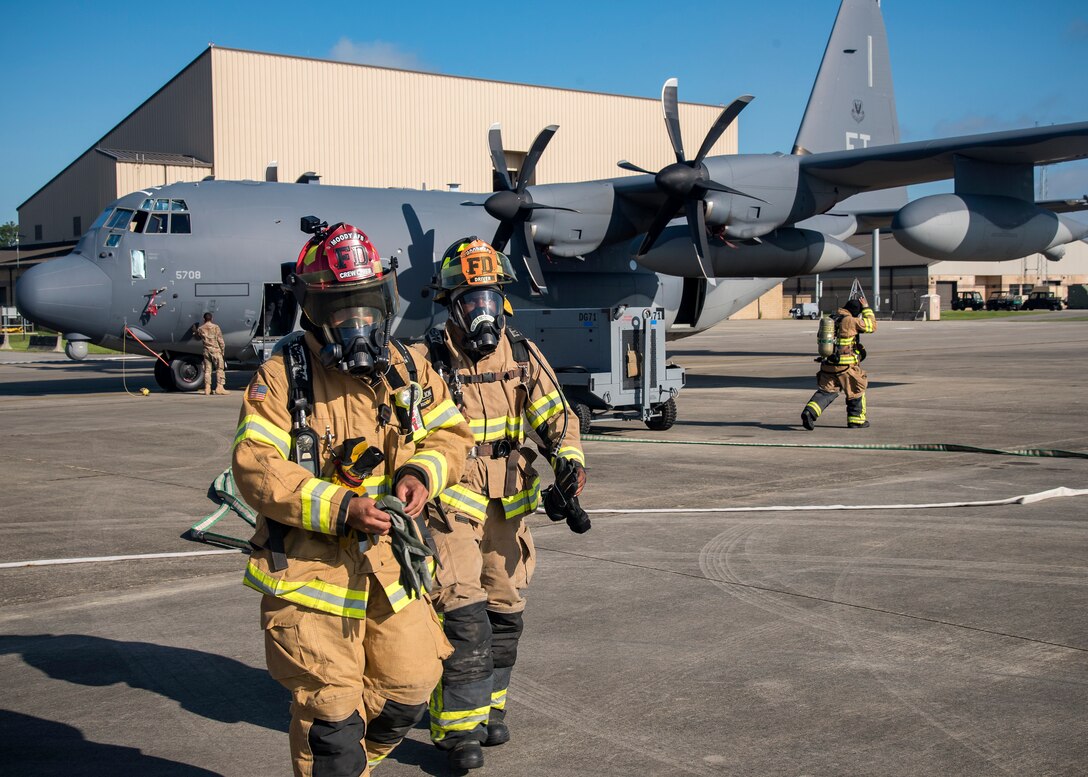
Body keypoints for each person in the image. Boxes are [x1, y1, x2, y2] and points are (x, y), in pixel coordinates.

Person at [231, 219, 474, 777]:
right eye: (342, 309)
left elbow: (451, 434)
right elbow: (256, 466)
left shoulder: (409, 367)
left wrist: (420, 474)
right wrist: (342, 507)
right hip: (310, 575)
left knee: (411, 687)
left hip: (392, 567)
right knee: (332, 722)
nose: (357, 322)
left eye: (366, 305)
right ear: (316, 311)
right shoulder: (281, 377)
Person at [412, 237, 588, 772]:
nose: (482, 312)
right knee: (462, 613)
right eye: (472, 300)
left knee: (505, 611)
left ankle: (489, 710)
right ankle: (457, 731)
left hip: (508, 506)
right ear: (451, 305)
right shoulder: (426, 361)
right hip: (450, 505)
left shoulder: (523, 354)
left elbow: (557, 417)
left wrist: (568, 461)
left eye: (489, 299)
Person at [801, 296, 877, 430]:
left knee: (826, 392)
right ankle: (856, 421)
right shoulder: (851, 321)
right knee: (856, 390)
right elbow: (872, 326)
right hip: (846, 367)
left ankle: (809, 412)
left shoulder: (831, 319)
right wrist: (866, 308)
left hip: (828, 364)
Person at [194, 312, 229, 395]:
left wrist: (194, 331)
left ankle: (207, 388)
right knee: (219, 369)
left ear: (204, 319)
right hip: (216, 350)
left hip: (206, 351)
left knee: (207, 370)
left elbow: (197, 337)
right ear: (212, 319)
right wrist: (222, 352)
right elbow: (221, 341)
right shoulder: (216, 327)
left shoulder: (201, 328)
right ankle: (220, 388)